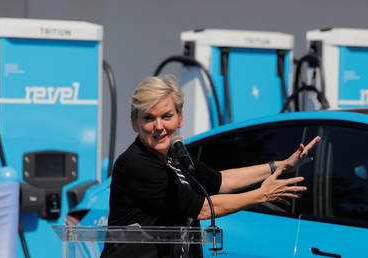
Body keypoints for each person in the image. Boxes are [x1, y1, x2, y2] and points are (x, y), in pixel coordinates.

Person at [101, 75, 320, 258]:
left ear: (180, 118)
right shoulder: (136, 163)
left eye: (167, 116)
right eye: (149, 118)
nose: (159, 127)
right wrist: (262, 195)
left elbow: (220, 181)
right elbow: (203, 208)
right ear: (134, 122)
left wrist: (281, 166)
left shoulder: (174, 156)